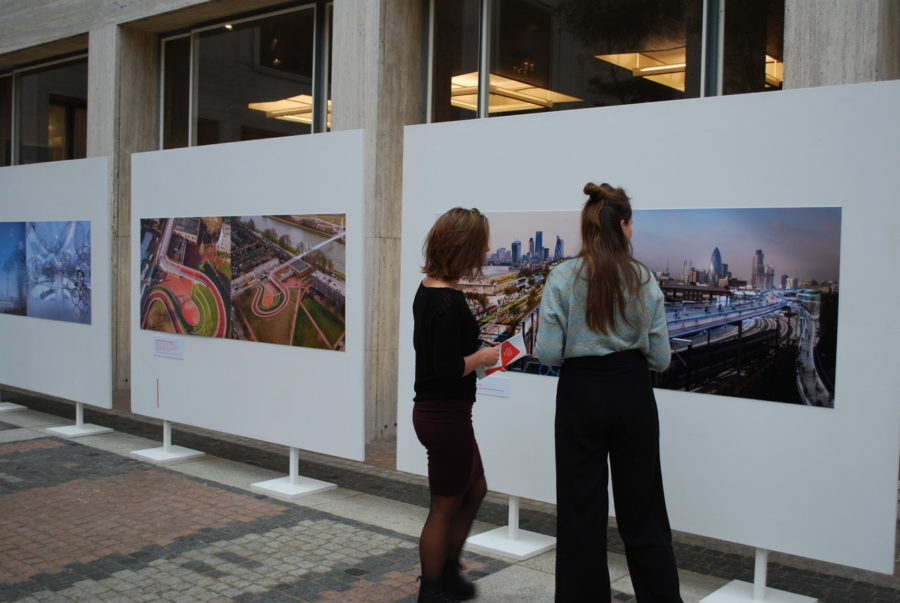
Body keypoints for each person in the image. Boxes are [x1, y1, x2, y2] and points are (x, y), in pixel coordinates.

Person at [535, 183, 682, 602]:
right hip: (632, 392)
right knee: (645, 511)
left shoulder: (561, 276)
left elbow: (546, 352)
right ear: (622, 226)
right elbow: (660, 358)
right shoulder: (644, 278)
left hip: (580, 394)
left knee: (581, 512)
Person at [413, 207, 501, 602]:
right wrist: (482, 358)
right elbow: (448, 369)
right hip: (445, 413)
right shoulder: (447, 301)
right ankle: (433, 587)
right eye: (482, 241)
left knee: (475, 488)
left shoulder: (430, 289)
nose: (488, 248)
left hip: (442, 413)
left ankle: (448, 570)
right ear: (464, 246)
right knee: (444, 505)